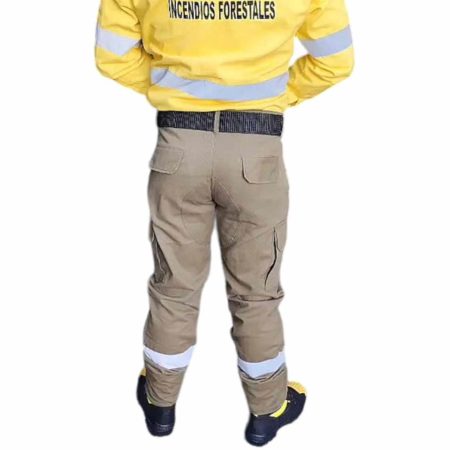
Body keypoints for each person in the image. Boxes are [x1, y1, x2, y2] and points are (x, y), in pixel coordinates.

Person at [95, 0, 354, 445]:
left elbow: (111, 56)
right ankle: (267, 410)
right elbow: (336, 61)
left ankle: (160, 404)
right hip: (256, 151)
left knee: (174, 287)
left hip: (179, 147)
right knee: (256, 292)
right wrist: (277, 97)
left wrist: (170, 89)